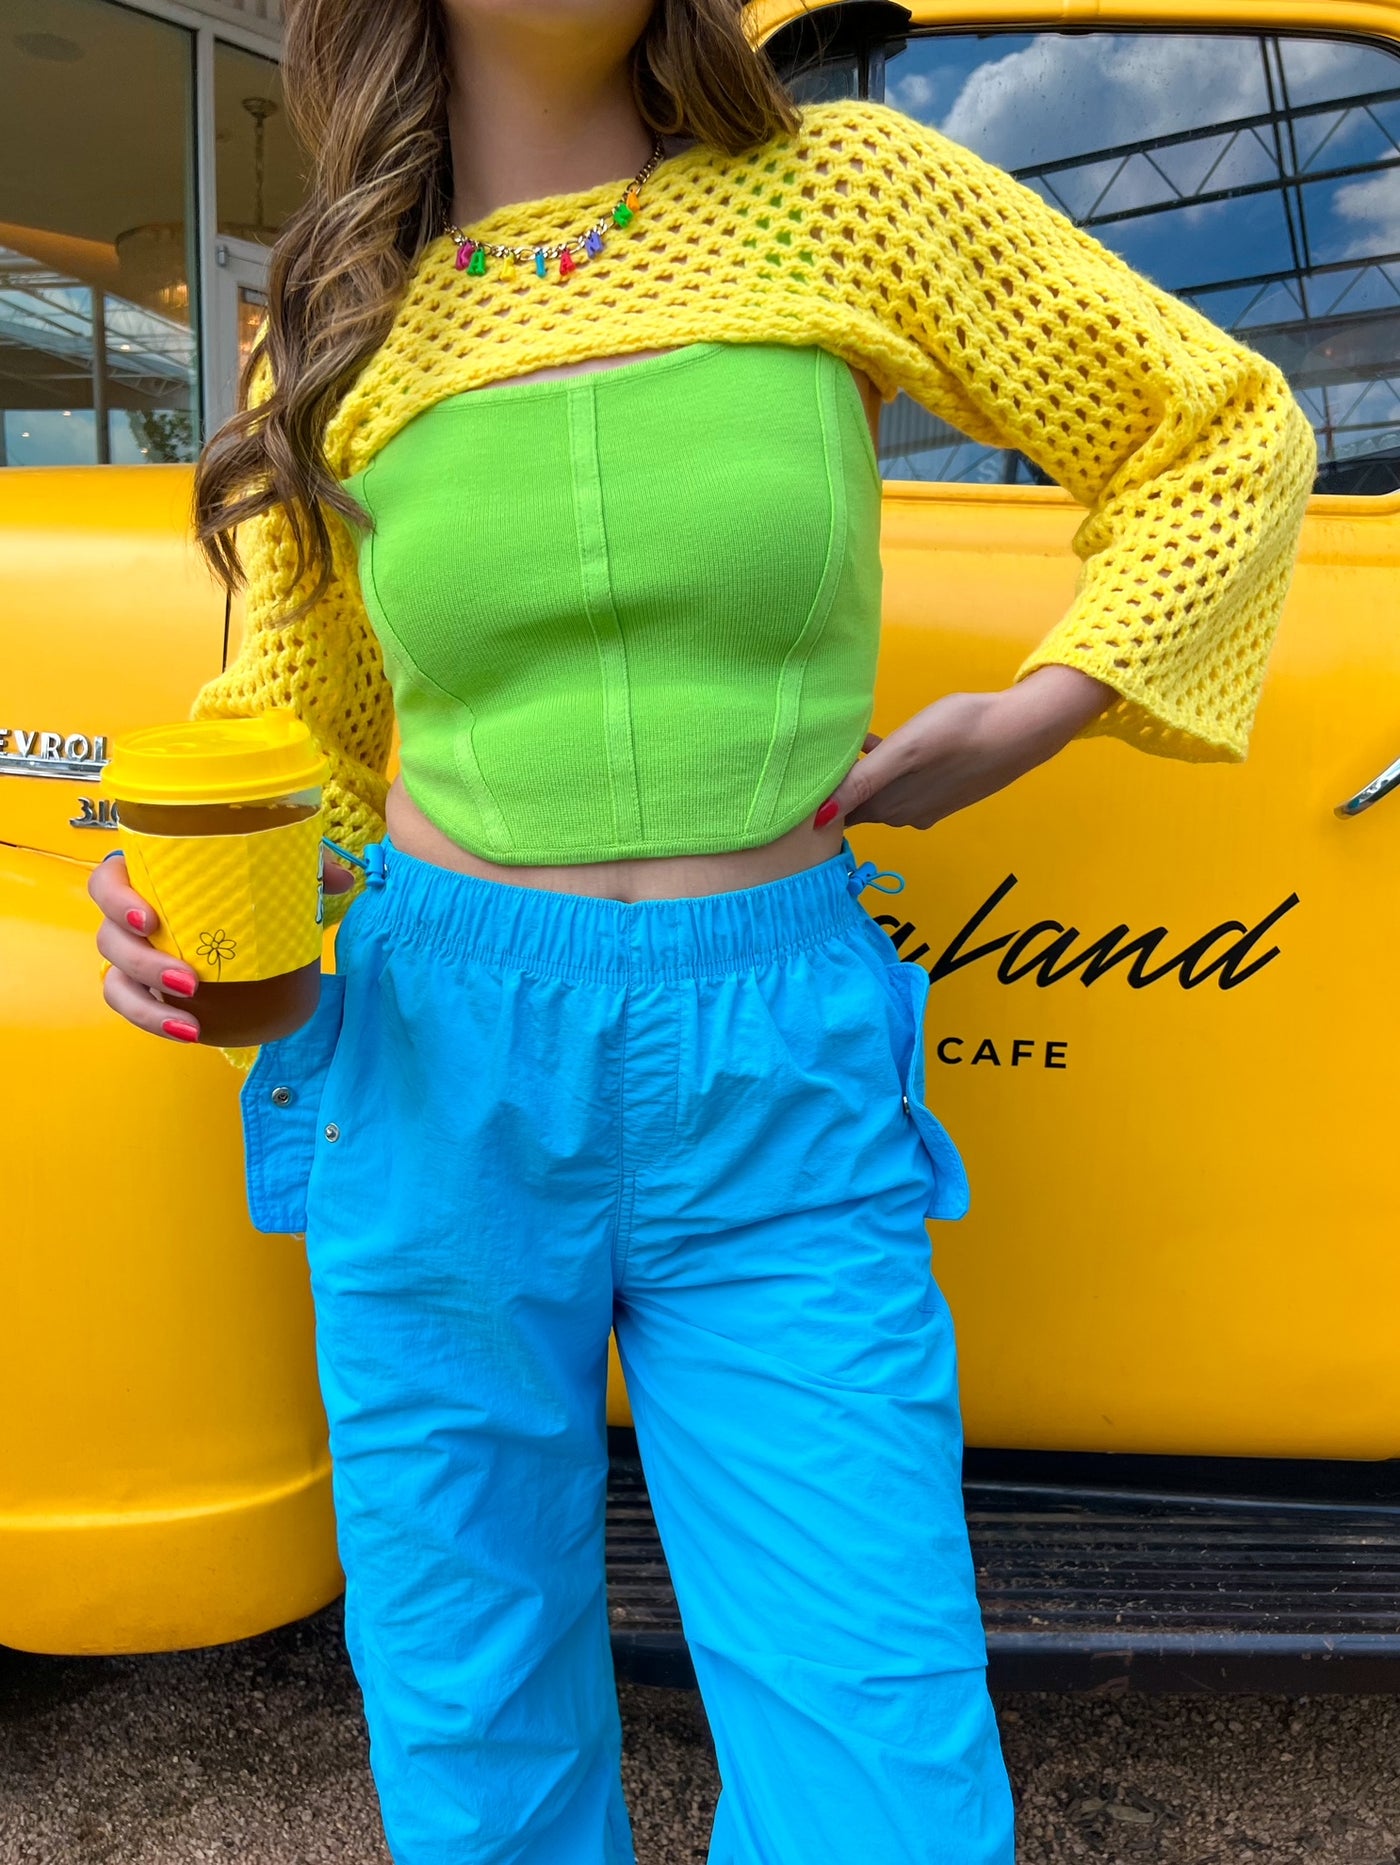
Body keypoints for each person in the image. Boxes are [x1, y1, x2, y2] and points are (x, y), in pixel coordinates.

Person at [89, 0, 1317, 1858]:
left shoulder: (847, 190)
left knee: (885, 1788)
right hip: (433, 1068)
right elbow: (306, 735)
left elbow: (1217, 430)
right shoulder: (343, 299)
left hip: (776, 1074)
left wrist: (1039, 710)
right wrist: (204, 922)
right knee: (474, 1737)